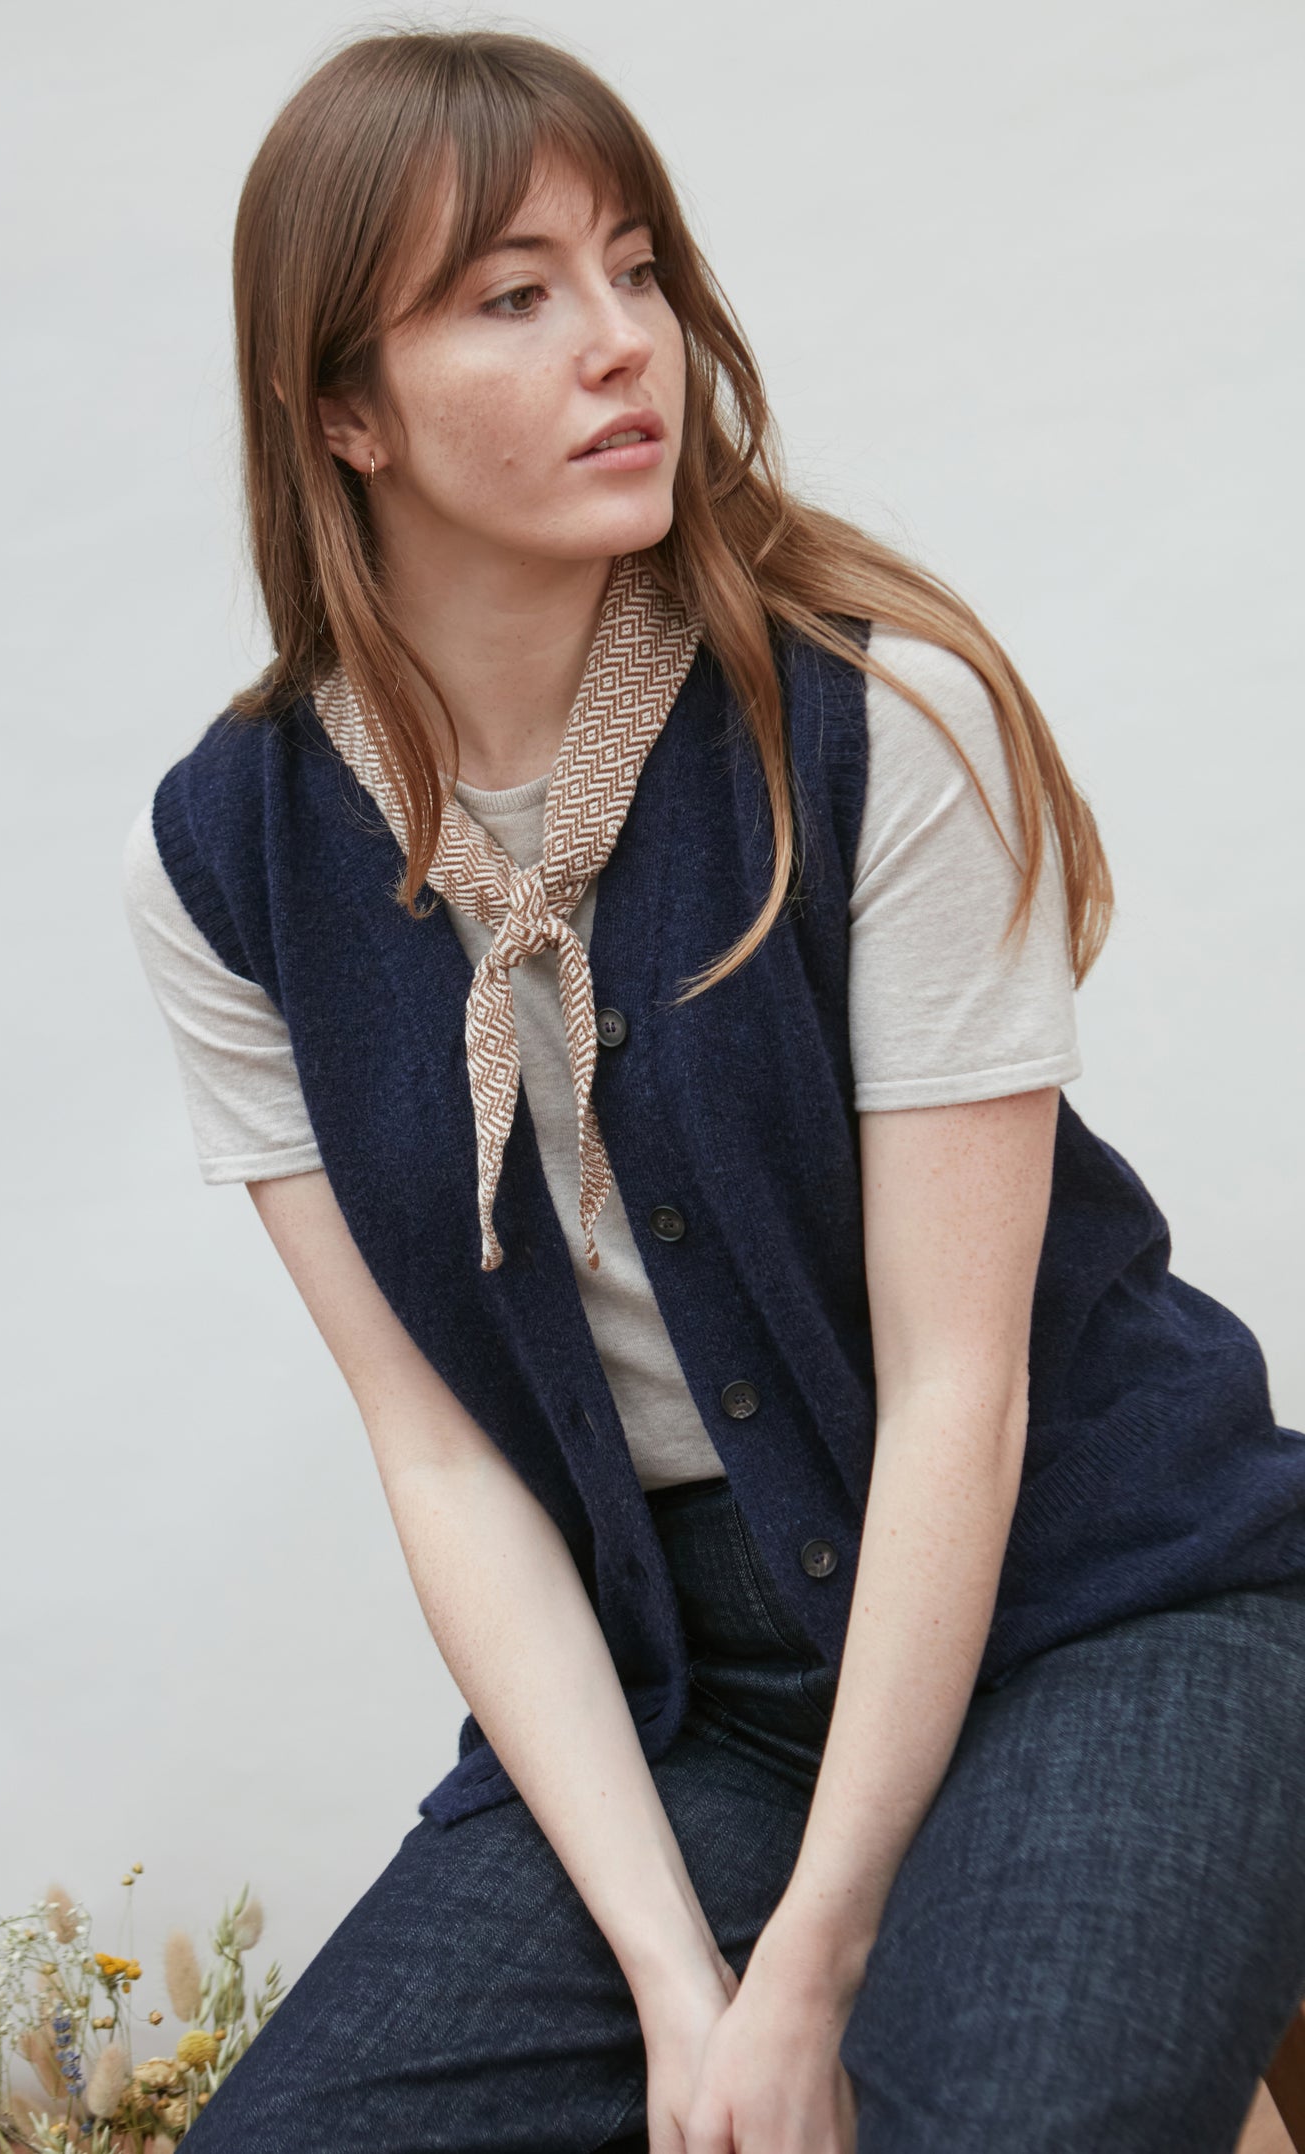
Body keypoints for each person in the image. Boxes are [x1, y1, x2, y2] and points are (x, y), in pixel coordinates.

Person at [122, 26, 1305, 2153]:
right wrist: (684, 1989)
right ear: (341, 410)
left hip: (1091, 1602)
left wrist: (819, 1970)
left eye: (637, 270)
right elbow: (447, 1454)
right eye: (513, 294)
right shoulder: (233, 865)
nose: (620, 347)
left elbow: (963, 1393)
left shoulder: (874, 724)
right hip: (694, 1686)